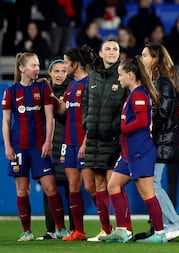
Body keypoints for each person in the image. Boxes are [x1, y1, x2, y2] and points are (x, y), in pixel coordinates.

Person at [98, 56, 167, 243]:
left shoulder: (138, 95)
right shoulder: (133, 95)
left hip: (140, 151)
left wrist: (118, 130)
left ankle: (160, 234)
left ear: (130, 75)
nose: (118, 79)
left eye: (121, 75)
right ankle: (122, 230)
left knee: (146, 192)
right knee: (113, 186)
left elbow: (142, 122)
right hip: (129, 153)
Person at [1, 52, 69, 241]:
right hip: (19, 148)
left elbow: (50, 118)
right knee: (22, 190)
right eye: (33, 65)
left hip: (40, 147)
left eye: (38, 65)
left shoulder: (43, 87)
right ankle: (27, 231)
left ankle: (61, 229)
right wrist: (7, 146)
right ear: (22, 68)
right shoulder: (11, 91)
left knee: (51, 188)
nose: (36, 68)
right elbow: (6, 121)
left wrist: (48, 141)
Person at [140, 42, 179, 241]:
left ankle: (175, 223)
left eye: (145, 55)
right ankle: (168, 224)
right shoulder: (156, 80)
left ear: (155, 59)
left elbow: (163, 112)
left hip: (162, 140)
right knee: (154, 184)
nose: (142, 59)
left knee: (154, 185)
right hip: (160, 139)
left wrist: (148, 127)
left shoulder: (161, 82)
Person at [82, 39, 128, 242]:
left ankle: (124, 229)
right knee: (99, 183)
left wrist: (115, 129)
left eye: (115, 49)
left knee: (114, 184)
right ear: (100, 53)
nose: (111, 52)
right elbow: (86, 101)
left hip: (114, 139)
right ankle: (105, 230)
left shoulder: (124, 75)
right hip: (94, 138)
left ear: (119, 54)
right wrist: (87, 123)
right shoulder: (93, 75)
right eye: (108, 49)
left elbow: (128, 107)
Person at [56, 45, 98, 241]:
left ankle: (107, 227)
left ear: (75, 64)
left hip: (84, 143)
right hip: (69, 142)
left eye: (65, 62)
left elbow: (94, 116)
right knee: (73, 186)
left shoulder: (91, 84)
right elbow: (63, 109)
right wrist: (46, 92)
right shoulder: (71, 85)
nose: (64, 66)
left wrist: (85, 143)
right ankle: (79, 231)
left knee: (90, 186)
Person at [36, 58, 74, 240]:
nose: (60, 75)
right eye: (56, 71)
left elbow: (66, 113)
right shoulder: (40, 92)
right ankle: (51, 230)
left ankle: (75, 230)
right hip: (47, 145)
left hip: (67, 144)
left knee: (70, 189)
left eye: (63, 71)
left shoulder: (72, 91)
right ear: (49, 72)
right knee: (49, 189)